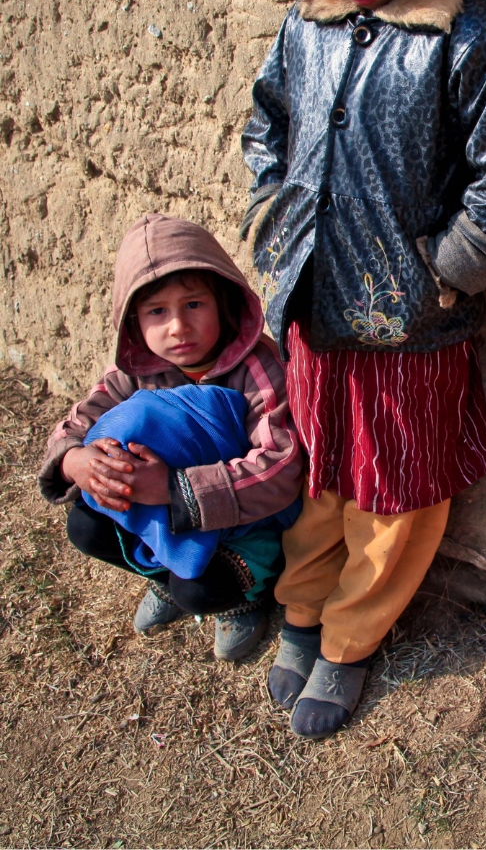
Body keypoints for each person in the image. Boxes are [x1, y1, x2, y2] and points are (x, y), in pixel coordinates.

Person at [241, 0, 486, 740]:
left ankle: (350, 638)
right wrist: (273, 213)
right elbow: (269, 126)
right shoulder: (307, 27)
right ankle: (300, 606)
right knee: (319, 473)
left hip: (414, 320)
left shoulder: (468, 39)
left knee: (398, 495)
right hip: (315, 306)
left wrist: (443, 275)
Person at [39, 214, 304, 661]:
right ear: (134, 321)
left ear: (223, 301)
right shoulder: (137, 368)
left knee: (199, 589)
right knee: (84, 526)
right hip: (167, 511)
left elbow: (280, 466)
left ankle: (245, 597)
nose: (177, 327)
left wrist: (172, 489)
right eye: (157, 312)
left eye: (193, 305)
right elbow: (83, 418)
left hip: (244, 520)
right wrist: (73, 461)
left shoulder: (257, 368)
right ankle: (164, 576)